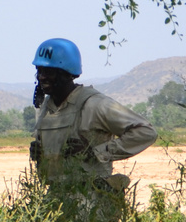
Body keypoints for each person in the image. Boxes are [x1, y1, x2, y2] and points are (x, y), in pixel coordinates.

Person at [28, 38, 156, 191]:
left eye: (48, 72)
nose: (41, 77)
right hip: (58, 197)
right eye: (39, 71)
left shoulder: (94, 104)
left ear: (66, 73)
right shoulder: (46, 107)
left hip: (92, 198)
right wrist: (40, 153)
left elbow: (146, 132)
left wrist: (96, 152)